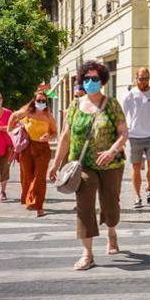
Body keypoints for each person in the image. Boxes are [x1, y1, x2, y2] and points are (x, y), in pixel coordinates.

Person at [49, 60, 129, 271]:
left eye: (95, 79)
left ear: (102, 81)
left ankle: (111, 232)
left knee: (110, 205)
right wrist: (56, 163)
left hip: (111, 164)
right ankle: (87, 254)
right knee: (84, 206)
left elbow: (123, 133)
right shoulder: (74, 105)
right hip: (82, 164)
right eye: (87, 78)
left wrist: (112, 151)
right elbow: (65, 136)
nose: (90, 82)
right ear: (81, 80)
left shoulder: (112, 104)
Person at [8, 90, 57, 217]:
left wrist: (48, 136)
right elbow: (13, 115)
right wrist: (9, 131)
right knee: (27, 176)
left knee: (39, 177)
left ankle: (38, 206)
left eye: (43, 101)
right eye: (38, 100)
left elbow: (55, 132)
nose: (41, 103)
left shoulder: (48, 116)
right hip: (27, 148)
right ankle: (30, 200)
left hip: (43, 149)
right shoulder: (27, 112)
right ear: (34, 101)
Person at [122, 67, 150, 208]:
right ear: (136, 79)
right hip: (134, 136)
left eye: (146, 78)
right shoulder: (130, 95)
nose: (144, 81)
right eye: (141, 79)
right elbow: (122, 113)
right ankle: (137, 196)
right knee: (136, 167)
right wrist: (124, 130)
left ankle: (149, 186)